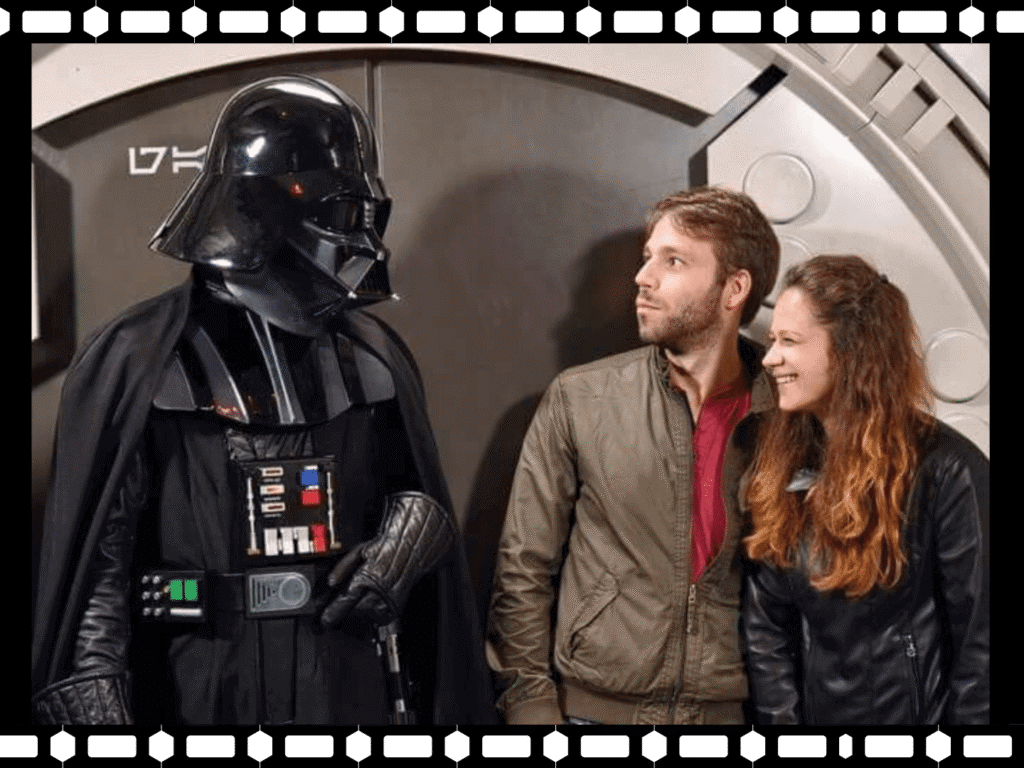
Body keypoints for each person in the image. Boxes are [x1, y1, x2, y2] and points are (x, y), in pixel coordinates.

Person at [31, 74, 494, 724]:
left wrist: (409, 536)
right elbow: (100, 564)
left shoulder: (372, 354)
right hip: (199, 677)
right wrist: (95, 691)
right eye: (339, 213)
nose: (358, 238)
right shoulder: (136, 358)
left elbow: (408, 484)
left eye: (363, 213)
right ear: (268, 207)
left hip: (341, 671)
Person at [486, 186, 780, 724]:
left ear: (734, 288)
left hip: (733, 713)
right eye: (648, 257)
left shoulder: (786, 412)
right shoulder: (582, 398)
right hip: (591, 710)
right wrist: (530, 705)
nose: (643, 278)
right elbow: (522, 566)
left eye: (673, 261)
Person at [742, 254, 989, 724]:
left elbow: (983, 649)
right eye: (773, 340)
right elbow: (766, 625)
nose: (770, 358)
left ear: (852, 351)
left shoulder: (949, 471)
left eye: (789, 341)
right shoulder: (784, 462)